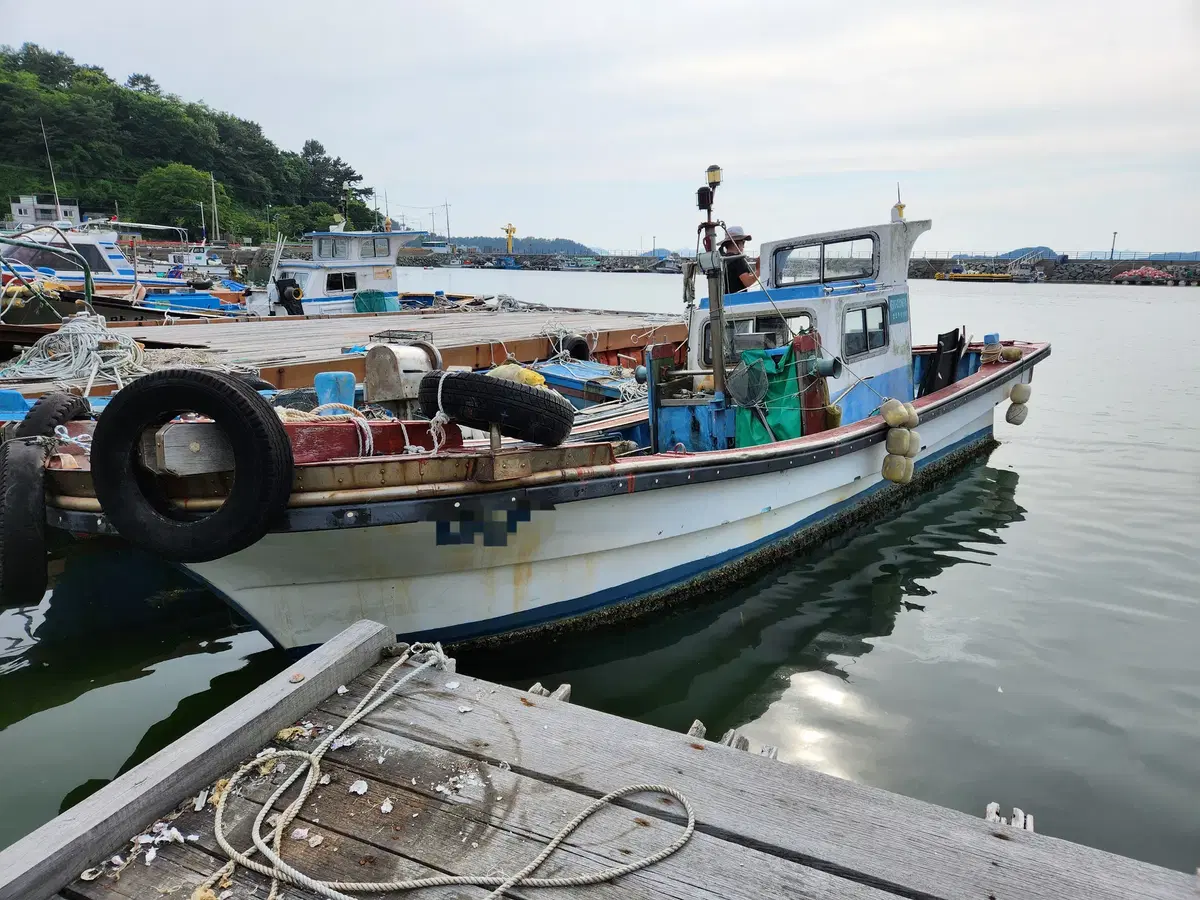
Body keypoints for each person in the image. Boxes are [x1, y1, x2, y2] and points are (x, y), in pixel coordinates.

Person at [721, 225, 756, 294]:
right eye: (743, 243)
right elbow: (747, 282)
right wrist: (758, 270)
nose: (743, 246)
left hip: (724, 300)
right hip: (737, 301)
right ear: (737, 244)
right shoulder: (738, 259)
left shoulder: (721, 260)